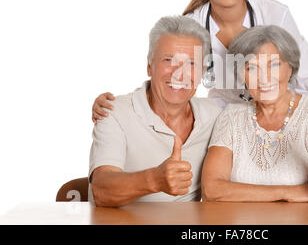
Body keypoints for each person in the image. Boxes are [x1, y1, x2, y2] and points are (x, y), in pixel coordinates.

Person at [91, 0, 308, 181]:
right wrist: (118, 108)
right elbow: (170, 80)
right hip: (230, 122)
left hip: (284, 115)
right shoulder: (191, 25)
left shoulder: (274, 13)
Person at [201, 25, 308, 202]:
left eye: (274, 65)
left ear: (291, 68)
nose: (264, 78)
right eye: (252, 68)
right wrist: (287, 193)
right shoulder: (231, 116)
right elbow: (211, 190)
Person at [88, 16, 223, 206]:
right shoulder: (113, 112)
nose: (179, 73)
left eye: (191, 63)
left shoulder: (216, 116)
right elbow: (101, 190)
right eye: (169, 60)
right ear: (149, 66)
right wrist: (155, 179)